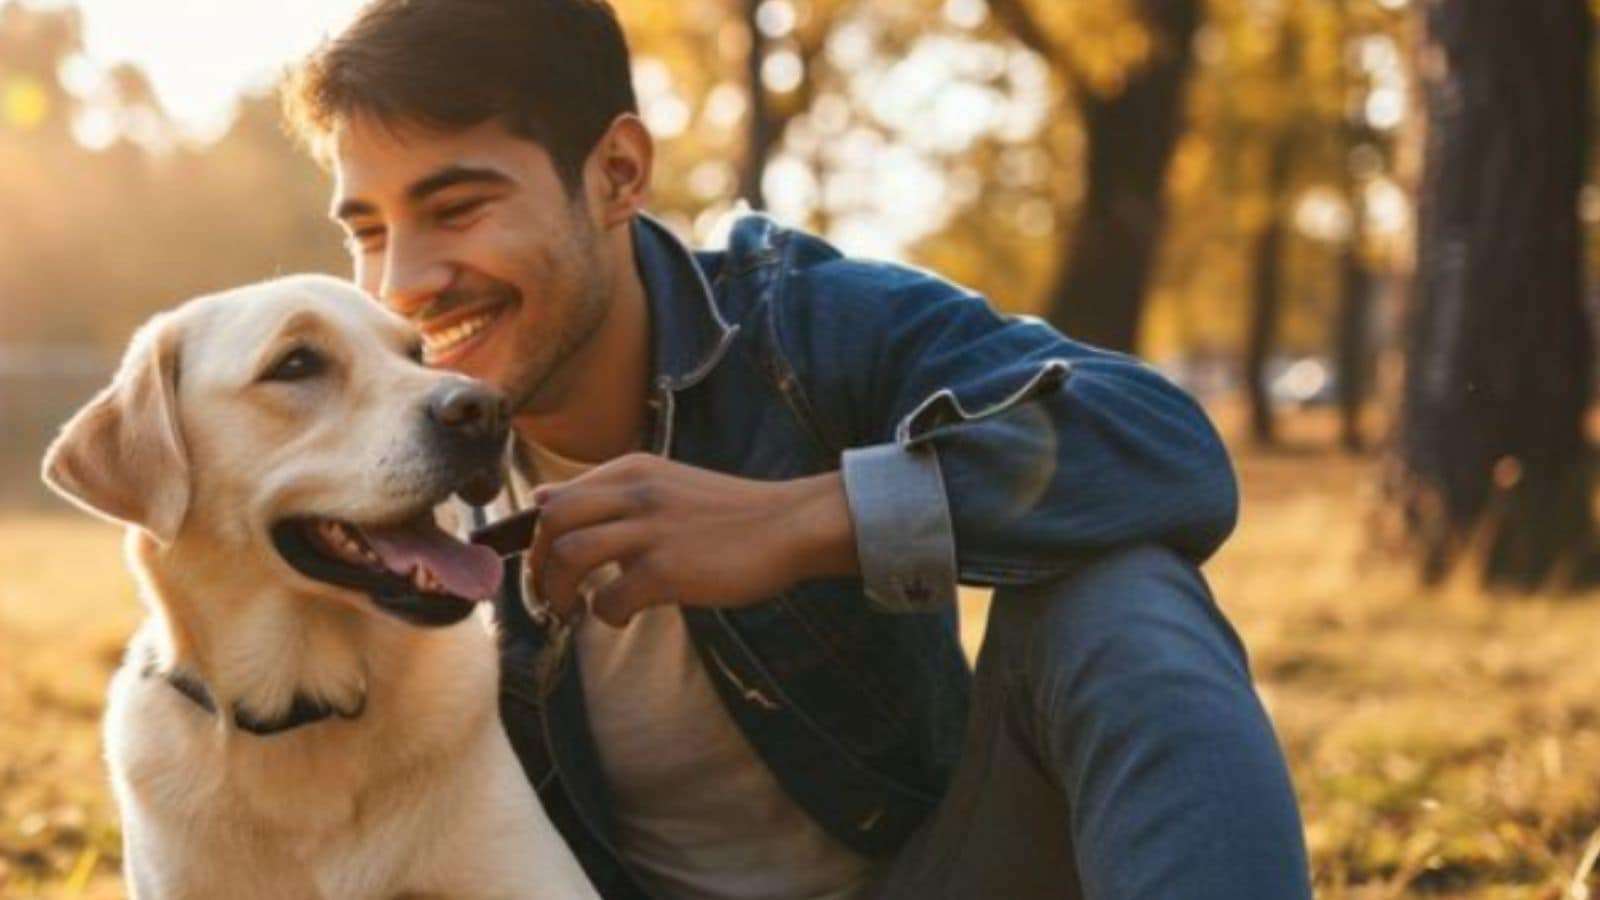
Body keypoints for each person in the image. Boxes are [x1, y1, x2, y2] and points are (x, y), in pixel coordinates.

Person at [283, 1, 1311, 897]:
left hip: (946, 876)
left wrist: (810, 520)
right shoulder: (366, 474)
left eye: (457, 208)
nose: (403, 282)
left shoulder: (807, 329)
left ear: (616, 173)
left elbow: (1158, 446)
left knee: (1119, 592)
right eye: (367, 230)